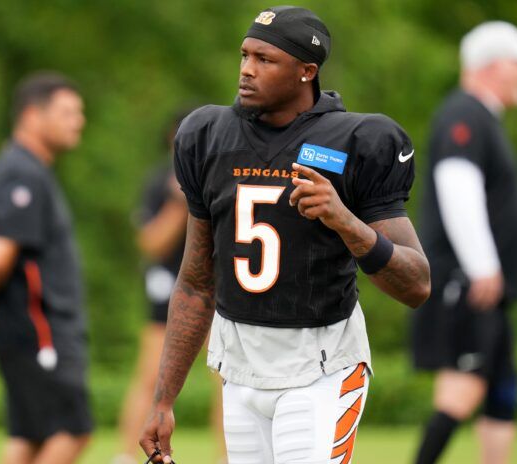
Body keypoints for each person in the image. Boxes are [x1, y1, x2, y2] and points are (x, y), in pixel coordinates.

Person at [139, 6, 431, 464]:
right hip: (239, 371)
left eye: (265, 59)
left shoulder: (356, 141)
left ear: (306, 72)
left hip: (320, 368)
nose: (247, 70)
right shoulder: (208, 136)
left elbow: (416, 284)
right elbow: (196, 283)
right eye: (244, 55)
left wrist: (345, 220)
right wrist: (163, 401)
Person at [411, 22, 517, 464]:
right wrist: (482, 266)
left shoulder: (483, 118)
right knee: (461, 392)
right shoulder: (464, 115)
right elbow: (457, 187)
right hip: (469, 284)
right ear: (492, 66)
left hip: (491, 291)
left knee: (502, 394)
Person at [0, 72, 92, 464]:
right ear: (31, 115)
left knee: (30, 436)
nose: (78, 120)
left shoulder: (25, 169)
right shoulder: (22, 173)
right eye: (67, 112)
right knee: (73, 430)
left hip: (30, 329)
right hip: (40, 328)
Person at [113, 111, 227, 464]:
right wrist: (182, 200)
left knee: (227, 381)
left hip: (218, 289)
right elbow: (150, 243)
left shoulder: (223, 177)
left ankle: (230, 458)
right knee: (151, 377)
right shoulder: (158, 182)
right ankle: (124, 456)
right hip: (170, 288)